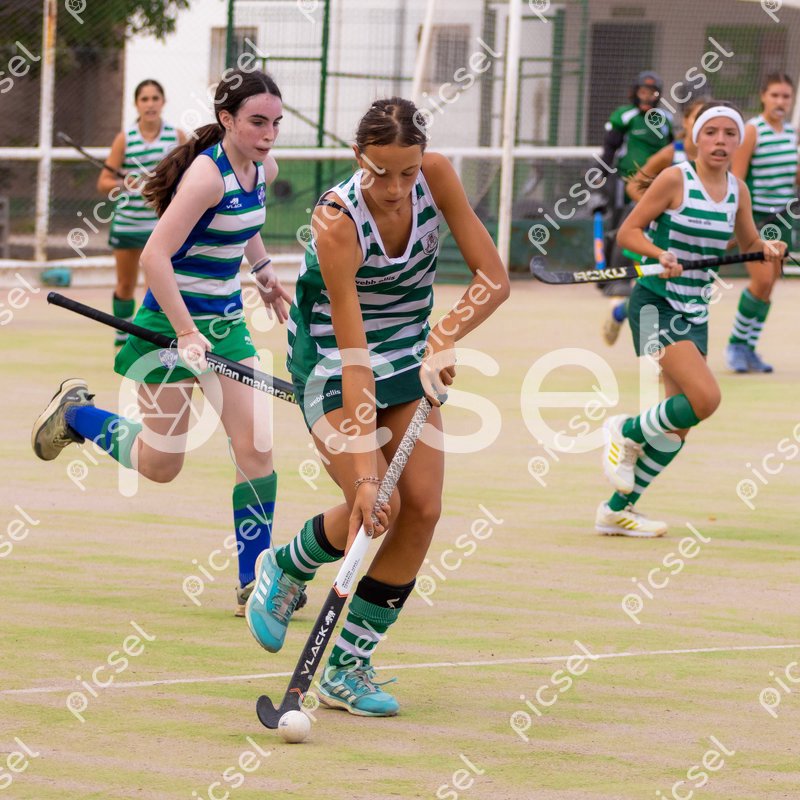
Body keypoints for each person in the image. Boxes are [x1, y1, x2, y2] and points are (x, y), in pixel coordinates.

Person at [245, 97, 510, 717]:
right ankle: (286, 565)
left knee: (422, 509)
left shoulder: (435, 176)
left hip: (409, 358)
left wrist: (444, 337)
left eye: (407, 172)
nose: (395, 189)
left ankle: (347, 667)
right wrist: (366, 475)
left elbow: (493, 279)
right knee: (376, 503)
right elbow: (354, 357)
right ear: (356, 156)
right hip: (333, 365)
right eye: (380, 172)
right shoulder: (336, 221)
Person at [32, 69, 293, 616]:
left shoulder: (262, 167)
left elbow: (245, 223)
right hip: (168, 324)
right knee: (160, 465)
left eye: (276, 122)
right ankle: (76, 415)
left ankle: (253, 582)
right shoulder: (205, 176)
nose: (269, 134)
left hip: (225, 326)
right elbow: (154, 257)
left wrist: (264, 271)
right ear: (227, 120)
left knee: (256, 448)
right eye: (257, 122)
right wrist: (185, 332)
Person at [596, 102, 786, 537]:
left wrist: (767, 247)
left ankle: (615, 510)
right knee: (706, 398)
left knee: (678, 426)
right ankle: (623, 429)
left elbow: (748, 242)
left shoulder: (738, 190)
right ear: (696, 138)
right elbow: (628, 232)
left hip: (694, 311)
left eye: (729, 134)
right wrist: (658, 254)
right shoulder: (674, 179)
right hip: (654, 303)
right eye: (711, 132)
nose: (721, 141)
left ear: (739, 141)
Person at [602, 96, 709, 346]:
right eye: (697, 119)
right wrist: (656, 208)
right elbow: (633, 186)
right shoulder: (672, 153)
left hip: (690, 242)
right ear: (686, 121)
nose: (703, 126)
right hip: (655, 239)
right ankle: (659, 349)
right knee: (653, 290)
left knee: (677, 293)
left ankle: (621, 312)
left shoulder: (716, 162)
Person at [98, 80, 187, 347]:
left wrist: (167, 185)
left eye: (155, 98)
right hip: (127, 224)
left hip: (160, 227)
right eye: (144, 99)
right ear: (136, 104)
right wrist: (123, 183)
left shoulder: (176, 137)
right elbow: (104, 182)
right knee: (125, 285)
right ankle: (121, 340)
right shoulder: (125, 138)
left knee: (155, 289)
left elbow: (190, 176)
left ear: (163, 102)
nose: (150, 104)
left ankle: (147, 341)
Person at [724, 73, 799, 373]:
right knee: (763, 281)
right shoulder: (752, 130)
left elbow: (793, 178)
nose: (780, 102)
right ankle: (735, 345)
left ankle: (749, 348)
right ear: (763, 97)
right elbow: (737, 179)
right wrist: (734, 222)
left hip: (782, 219)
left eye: (786, 96)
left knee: (769, 287)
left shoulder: (792, 133)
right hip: (754, 219)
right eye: (775, 95)